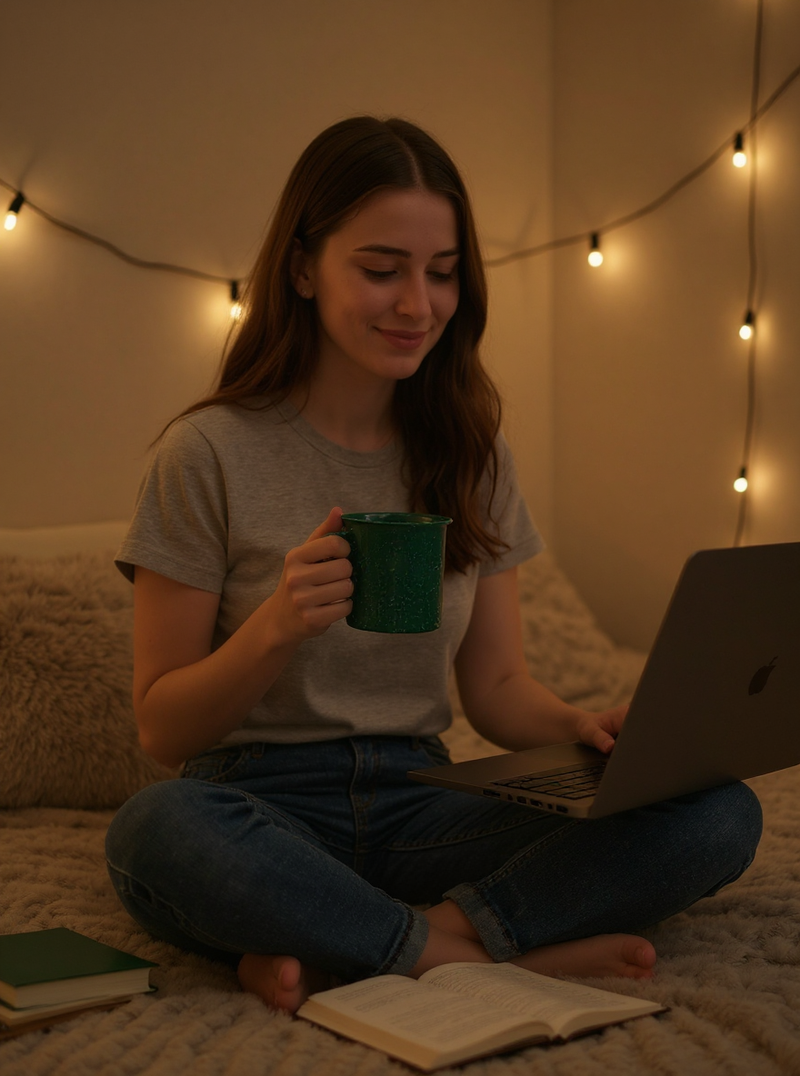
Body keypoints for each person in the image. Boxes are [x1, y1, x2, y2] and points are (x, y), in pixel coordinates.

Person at [105, 116, 762, 1015]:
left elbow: (496, 687)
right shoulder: (206, 453)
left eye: (442, 272)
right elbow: (162, 729)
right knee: (155, 830)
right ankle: (477, 949)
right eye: (382, 269)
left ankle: (368, 942)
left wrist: (582, 729)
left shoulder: (471, 454)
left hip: (420, 802)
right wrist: (276, 628)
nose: (418, 304)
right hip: (257, 801)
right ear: (302, 269)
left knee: (718, 811)